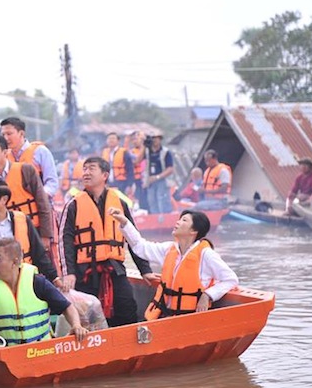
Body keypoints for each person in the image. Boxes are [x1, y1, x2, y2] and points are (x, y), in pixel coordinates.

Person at [60, 157, 156, 327]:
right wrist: (69, 273)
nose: (86, 172)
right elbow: (65, 242)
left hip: (114, 268)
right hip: (85, 272)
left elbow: (133, 237)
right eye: (85, 169)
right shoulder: (73, 205)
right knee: (86, 315)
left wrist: (145, 270)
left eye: (91, 168)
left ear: (105, 175)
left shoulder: (119, 203)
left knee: (127, 307)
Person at [108, 209, 239, 319]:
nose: (178, 222)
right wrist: (125, 222)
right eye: (179, 219)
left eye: (184, 220)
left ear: (194, 231)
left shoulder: (207, 255)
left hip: (191, 318)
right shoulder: (169, 249)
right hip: (167, 315)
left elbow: (230, 279)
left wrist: (208, 295)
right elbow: (141, 247)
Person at [0, 180, 60, 284]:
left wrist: (54, 278)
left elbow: (38, 253)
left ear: (4, 199)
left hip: (23, 279)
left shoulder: (22, 220)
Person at [0, 135, 53, 246]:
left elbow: (43, 203)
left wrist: (46, 235)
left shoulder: (26, 171)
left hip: (33, 231)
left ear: (5, 152)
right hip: (4, 238)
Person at [0, 117, 59, 199]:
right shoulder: (4, 156)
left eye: (9, 134)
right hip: (14, 207)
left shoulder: (40, 152)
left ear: (21, 133)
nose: (5, 138)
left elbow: (52, 182)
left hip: (38, 206)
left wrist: (40, 197)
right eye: (3, 135)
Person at [144, 132, 174, 213]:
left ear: (160, 139)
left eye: (156, 138)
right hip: (150, 181)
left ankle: (165, 219)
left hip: (162, 180)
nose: (154, 140)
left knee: (162, 200)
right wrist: (144, 146)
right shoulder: (147, 152)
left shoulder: (165, 152)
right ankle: (155, 218)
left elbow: (170, 169)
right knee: (152, 201)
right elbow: (136, 161)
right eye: (153, 138)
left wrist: (157, 177)